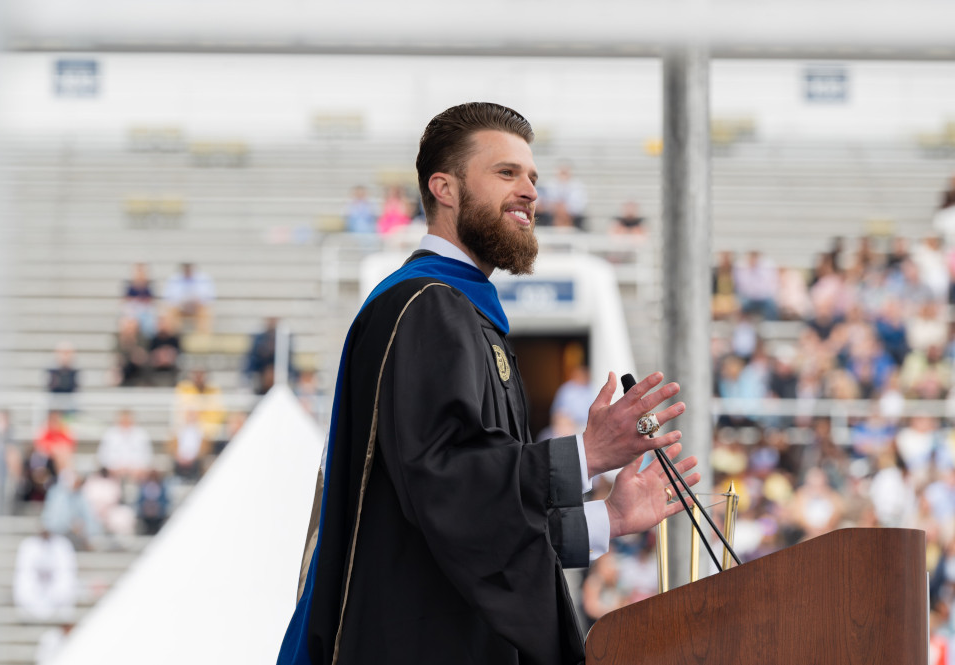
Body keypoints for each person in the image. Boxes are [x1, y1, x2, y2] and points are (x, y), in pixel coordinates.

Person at [277, 102, 698, 665]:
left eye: (532, 177)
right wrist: (584, 454)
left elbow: (473, 526)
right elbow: (447, 486)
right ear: (444, 188)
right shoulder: (427, 308)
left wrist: (609, 518)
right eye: (506, 173)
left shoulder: (453, 310)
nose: (529, 191)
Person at [96, 409, 154, 482]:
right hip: (113, 475)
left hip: (137, 476)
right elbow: (102, 456)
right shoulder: (110, 434)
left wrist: (138, 469)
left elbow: (148, 457)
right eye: (123, 420)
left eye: (127, 420)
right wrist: (112, 469)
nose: (125, 423)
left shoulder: (141, 435)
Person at [163, 262, 215, 333]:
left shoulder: (203, 278)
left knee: (205, 311)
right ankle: (174, 335)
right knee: (170, 311)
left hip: (197, 307)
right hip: (180, 307)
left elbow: (209, 297)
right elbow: (168, 297)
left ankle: (203, 336)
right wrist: (181, 302)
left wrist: (197, 301)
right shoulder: (174, 279)